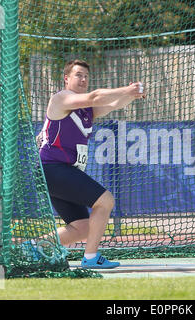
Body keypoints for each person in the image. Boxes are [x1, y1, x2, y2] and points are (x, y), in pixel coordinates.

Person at [37, 59, 145, 268]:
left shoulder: (87, 110)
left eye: (86, 76)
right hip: (52, 168)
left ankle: (32, 246)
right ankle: (91, 257)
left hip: (61, 172)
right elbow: (95, 96)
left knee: (83, 227)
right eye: (78, 75)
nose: (83, 79)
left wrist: (131, 96)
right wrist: (127, 88)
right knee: (105, 201)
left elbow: (112, 104)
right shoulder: (61, 98)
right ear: (67, 79)